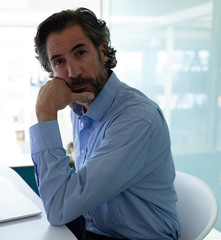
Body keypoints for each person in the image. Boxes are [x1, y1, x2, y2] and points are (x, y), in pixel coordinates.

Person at [29, 7, 180, 240]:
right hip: (93, 229)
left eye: (80, 53)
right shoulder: (80, 106)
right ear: (51, 72)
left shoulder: (136, 118)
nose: (73, 72)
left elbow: (59, 208)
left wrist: (44, 113)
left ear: (103, 52)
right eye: (59, 61)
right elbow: (69, 199)